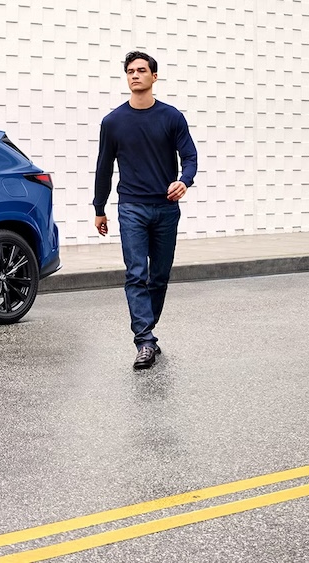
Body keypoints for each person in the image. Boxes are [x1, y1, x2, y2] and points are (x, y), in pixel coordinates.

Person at [93, 51, 198, 370]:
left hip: (166, 208)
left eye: (141, 70)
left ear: (154, 77)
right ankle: (144, 340)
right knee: (136, 272)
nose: (135, 75)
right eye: (130, 71)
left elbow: (190, 157)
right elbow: (103, 168)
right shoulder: (113, 122)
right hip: (132, 207)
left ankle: (147, 332)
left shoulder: (171, 117)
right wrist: (99, 208)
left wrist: (185, 181)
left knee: (160, 275)